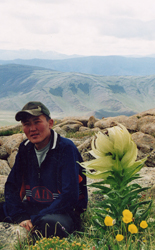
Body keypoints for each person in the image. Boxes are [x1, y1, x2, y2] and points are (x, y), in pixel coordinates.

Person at [0, 101, 88, 238]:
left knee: (50, 224)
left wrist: (34, 219)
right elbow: (12, 186)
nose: (32, 128)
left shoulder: (66, 148)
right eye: (26, 124)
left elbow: (69, 196)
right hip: (31, 206)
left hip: (61, 212)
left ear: (50, 123)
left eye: (37, 122)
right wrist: (21, 216)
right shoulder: (25, 148)